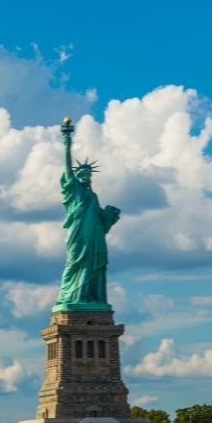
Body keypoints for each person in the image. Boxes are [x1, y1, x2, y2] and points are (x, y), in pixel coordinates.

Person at [54, 117, 120, 309]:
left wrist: (110, 218)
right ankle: (69, 295)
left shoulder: (93, 196)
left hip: (95, 236)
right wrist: (67, 142)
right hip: (79, 233)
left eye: (88, 173)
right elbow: (67, 169)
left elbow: (102, 220)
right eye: (82, 173)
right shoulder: (74, 190)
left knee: (95, 264)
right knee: (75, 261)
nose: (86, 175)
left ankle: (92, 298)